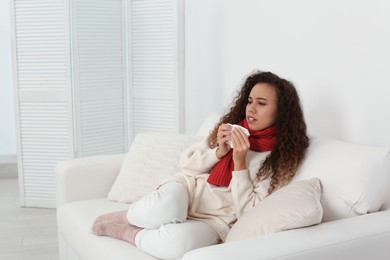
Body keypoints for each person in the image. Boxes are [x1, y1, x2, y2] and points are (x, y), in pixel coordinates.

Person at [92, 70, 309, 259]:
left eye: (261, 104)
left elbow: (249, 212)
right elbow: (186, 164)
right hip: (188, 190)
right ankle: (127, 216)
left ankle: (128, 232)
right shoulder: (230, 128)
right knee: (165, 207)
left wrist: (240, 163)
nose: (251, 109)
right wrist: (219, 151)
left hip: (217, 219)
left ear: (281, 112)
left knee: (174, 245)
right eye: (250, 101)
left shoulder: (283, 158)